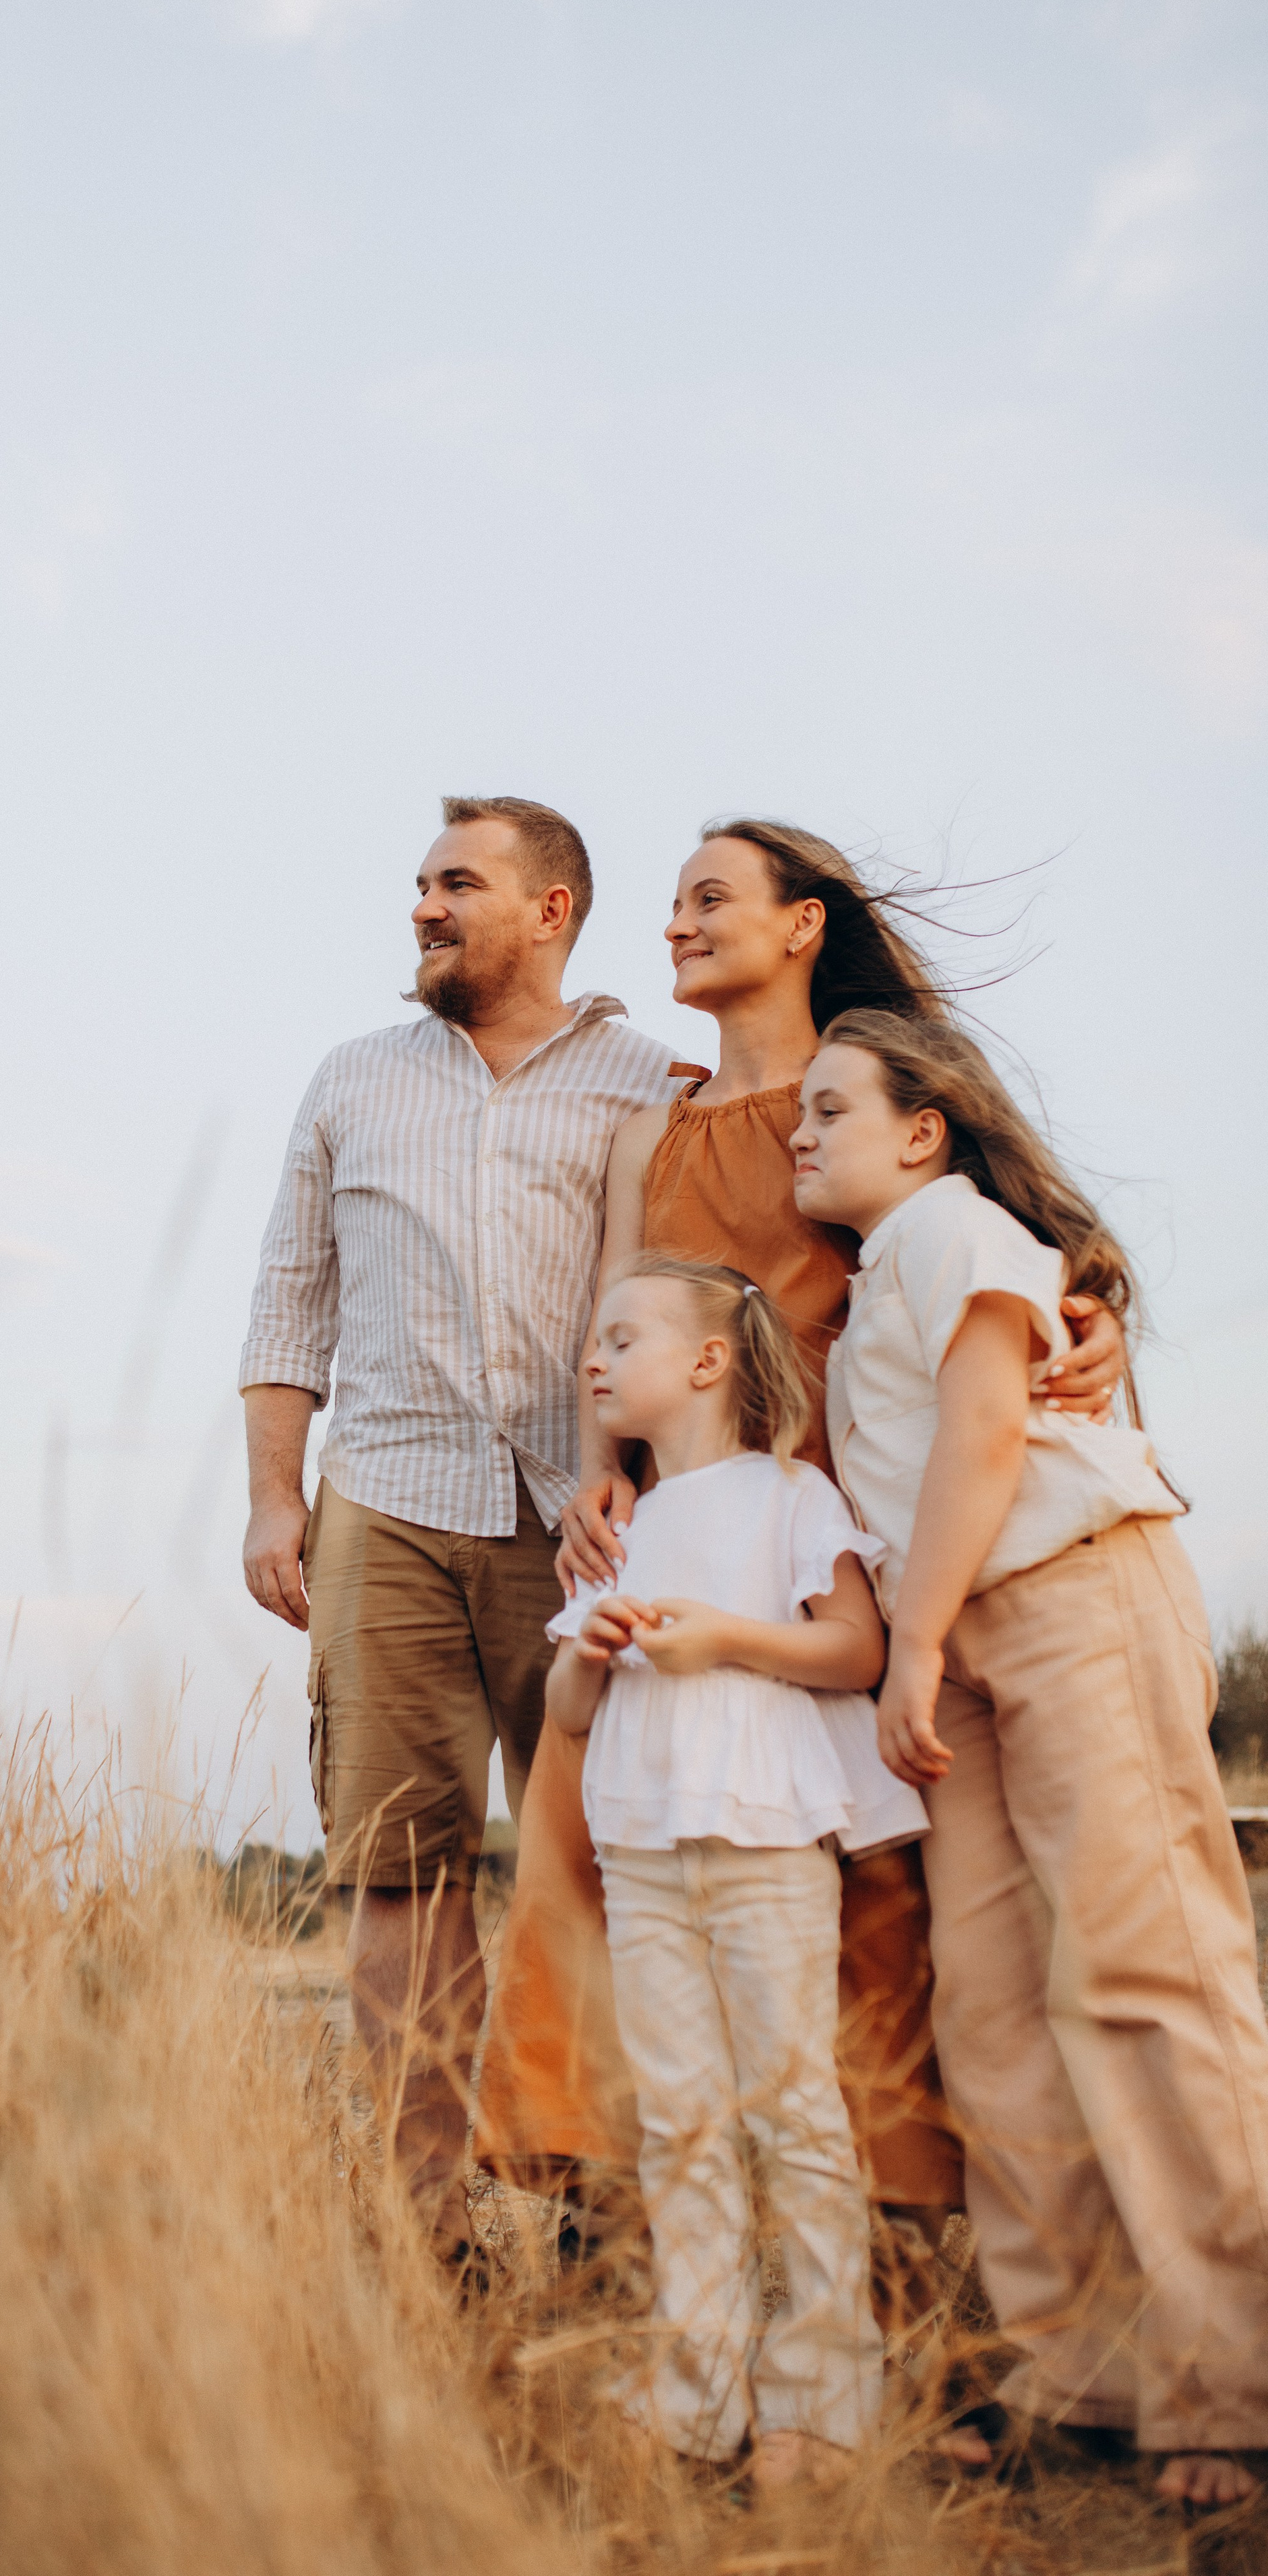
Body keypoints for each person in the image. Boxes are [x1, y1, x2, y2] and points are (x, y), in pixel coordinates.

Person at [478, 818, 1125, 2290]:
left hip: (836, 1531)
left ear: (800, 924)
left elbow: (1032, 1247)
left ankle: (897, 2280)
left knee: (870, 1901)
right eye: (671, 905)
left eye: (710, 899)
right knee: (598, 1859)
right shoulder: (652, 1123)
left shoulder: (875, 1094)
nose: (675, 926)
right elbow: (618, 1311)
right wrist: (597, 1482)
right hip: (672, 1529)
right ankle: (641, 2246)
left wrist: (1093, 1319)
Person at [792, 1006, 1268, 2508]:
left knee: (1143, 1972)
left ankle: (1232, 2374)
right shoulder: (875, 1283)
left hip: (1066, 1600)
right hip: (971, 1645)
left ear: (919, 1130)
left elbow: (986, 1433)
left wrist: (912, 1641)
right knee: (993, 2008)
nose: (797, 1136)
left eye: (827, 1111)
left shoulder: (953, 1225)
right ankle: (1084, 2372)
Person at [239, 795, 673, 2263]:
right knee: (394, 1872)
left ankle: (606, 2220)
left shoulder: (642, 1080)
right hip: (387, 1513)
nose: (422, 907)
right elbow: (287, 1298)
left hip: (589, 1525)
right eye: (419, 885)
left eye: (455, 884)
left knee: (610, 1863)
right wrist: (269, 1499)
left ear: (549, 909)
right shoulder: (350, 1080)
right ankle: (426, 2233)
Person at [545, 1251, 925, 2483]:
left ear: (706, 1362)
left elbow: (856, 1649)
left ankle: (822, 2403)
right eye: (593, 1343)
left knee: (794, 2111)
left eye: (619, 1339)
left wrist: (720, 1641)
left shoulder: (788, 1498)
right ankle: (697, 2392)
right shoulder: (623, 1526)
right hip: (643, 1853)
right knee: (681, 2126)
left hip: (766, 1843)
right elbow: (563, 1712)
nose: (592, 1361)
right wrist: (592, 1651)